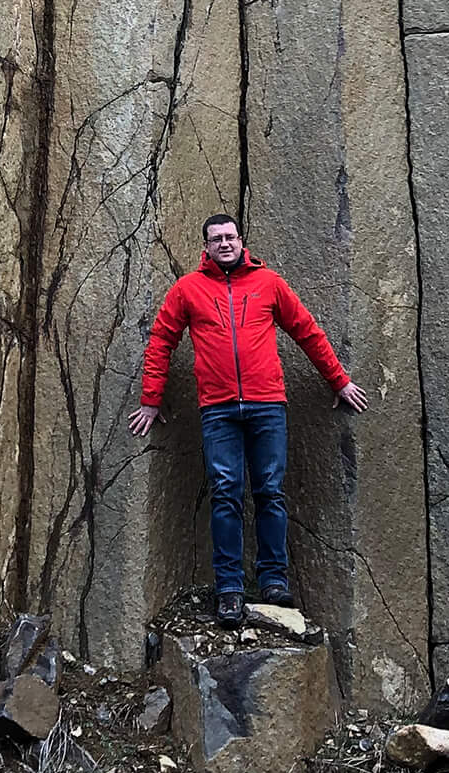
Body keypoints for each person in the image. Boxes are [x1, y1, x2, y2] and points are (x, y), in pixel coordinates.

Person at [128, 212, 367, 625]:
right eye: (216, 238)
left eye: (230, 237)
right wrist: (151, 400)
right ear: (205, 246)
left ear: (242, 241)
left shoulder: (268, 284)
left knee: (270, 493)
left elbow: (306, 330)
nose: (224, 243)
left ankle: (274, 580)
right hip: (218, 409)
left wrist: (338, 381)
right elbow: (162, 340)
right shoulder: (187, 290)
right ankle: (229, 589)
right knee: (225, 494)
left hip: (267, 405)